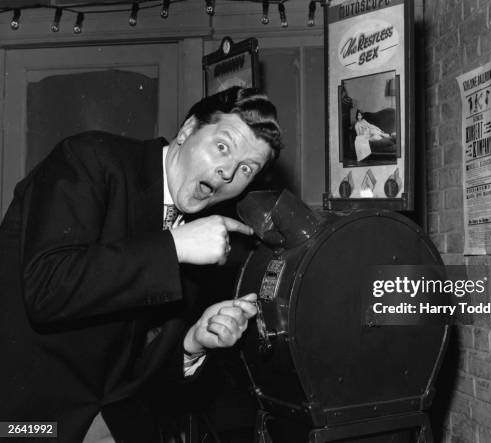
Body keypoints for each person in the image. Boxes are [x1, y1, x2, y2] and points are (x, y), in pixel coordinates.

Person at [0, 87, 283, 442]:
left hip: (106, 424)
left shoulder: (203, 235)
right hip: (24, 423)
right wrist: (174, 247)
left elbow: (139, 369)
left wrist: (192, 344)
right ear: (187, 130)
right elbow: (46, 288)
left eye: (246, 169)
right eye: (222, 147)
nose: (228, 173)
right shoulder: (91, 160)